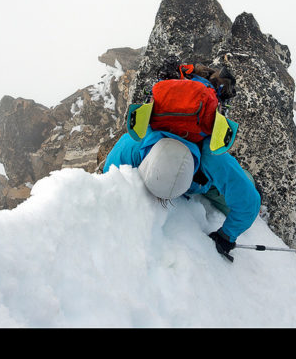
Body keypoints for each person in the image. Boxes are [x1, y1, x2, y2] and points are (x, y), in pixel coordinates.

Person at [102, 63, 261, 262]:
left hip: (201, 166)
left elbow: (250, 202)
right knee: (237, 186)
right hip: (197, 166)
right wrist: (224, 237)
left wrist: (227, 236)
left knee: (248, 185)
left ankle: (206, 80)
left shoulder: (211, 158)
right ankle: (205, 79)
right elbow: (107, 179)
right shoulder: (135, 146)